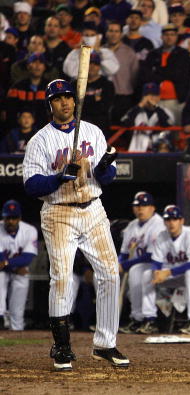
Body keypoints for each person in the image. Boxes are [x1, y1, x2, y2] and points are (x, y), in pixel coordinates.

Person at [22, 79, 127, 371]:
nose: (65, 102)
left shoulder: (93, 132)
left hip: (93, 209)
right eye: (58, 99)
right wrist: (58, 177)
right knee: (63, 278)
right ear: (50, 105)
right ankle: (62, 346)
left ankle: (105, 345)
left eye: (69, 97)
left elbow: (107, 178)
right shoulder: (40, 140)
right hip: (59, 213)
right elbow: (31, 185)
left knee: (109, 274)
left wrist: (104, 167)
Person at [149, 205, 190, 334]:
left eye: (175, 219)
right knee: (147, 274)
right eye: (168, 220)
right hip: (181, 274)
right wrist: (156, 272)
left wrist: (168, 272)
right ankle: (148, 319)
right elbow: (156, 261)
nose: (171, 223)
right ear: (164, 222)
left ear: (181, 221)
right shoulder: (162, 236)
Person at [118, 192, 166, 335]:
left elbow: (151, 255)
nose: (140, 209)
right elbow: (124, 253)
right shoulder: (132, 226)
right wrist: (119, 263)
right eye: (137, 206)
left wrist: (125, 265)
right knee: (127, 271)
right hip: (140, 264)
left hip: (161, 264)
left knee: (139, 271)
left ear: (152, 208)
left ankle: (149, 320)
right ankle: (136, 319)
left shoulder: (159, 224)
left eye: (144, 205)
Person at [138, 23, 190, 125]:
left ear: (176, 37)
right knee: (155, 130)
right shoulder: (153, 54)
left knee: (175, 130)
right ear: (161, 37)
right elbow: (147, 75)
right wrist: (168, 72)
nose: (169, 37)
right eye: (166, 35)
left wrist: (159, 72)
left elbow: (181, 76)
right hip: (155, 100)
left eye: (172, 34)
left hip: (176, 100)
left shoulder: (183, 54)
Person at [0, 200, 38, 331]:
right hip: (5, 272)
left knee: (17, 312)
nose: (10, 221)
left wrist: (6, 263)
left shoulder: (29, 230)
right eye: (8, 217)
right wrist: (13, 266)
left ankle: (16, 330)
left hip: (19, 272)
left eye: (14, 217)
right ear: (3, 217)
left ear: (19, 218)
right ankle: (1, 317)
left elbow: (27, 258)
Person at [121, 82, 173, 152]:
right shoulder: (135, 111)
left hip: (158, 148)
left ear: (159, 97)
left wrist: (156, 107)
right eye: (147, 95)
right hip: (138, 149)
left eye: (153, 95)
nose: (149, 98)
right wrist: (139, 106)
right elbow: (124, 123)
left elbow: (169, 125)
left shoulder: (165, 111)